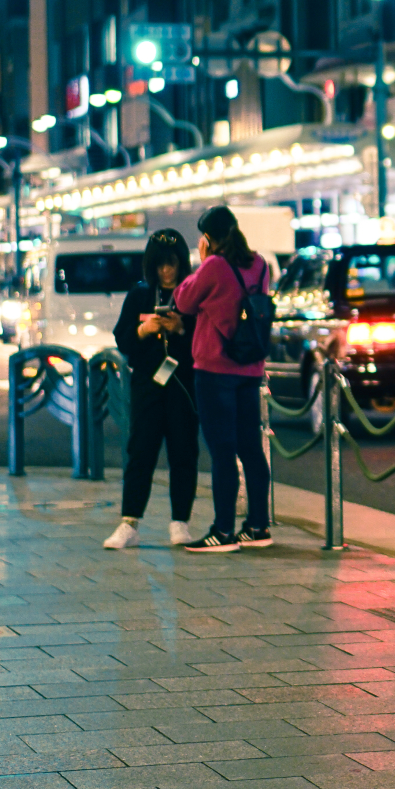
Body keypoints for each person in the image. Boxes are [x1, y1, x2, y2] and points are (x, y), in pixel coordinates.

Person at [173, 205, 274, 553]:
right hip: (251, 367)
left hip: (216, 370)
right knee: (250, 449)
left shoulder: (214, 265)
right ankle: (258, 526)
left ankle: (223, 531)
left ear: (209, 238)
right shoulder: (260, 264)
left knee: (222, 452)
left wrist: (202, 261)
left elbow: (184, 301)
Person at [103, 230, 200, 549]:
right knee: (140, 452)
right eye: (160, 265)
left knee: (183, 452)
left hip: (183, 385)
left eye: (172, 264)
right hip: (147, 383)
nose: (166, 271)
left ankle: (180, 522)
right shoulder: (140, 295)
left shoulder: (191, 297)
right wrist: (143, 329)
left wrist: (181, 328)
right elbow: (122, 339)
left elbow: (204, 342)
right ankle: (129, 522)